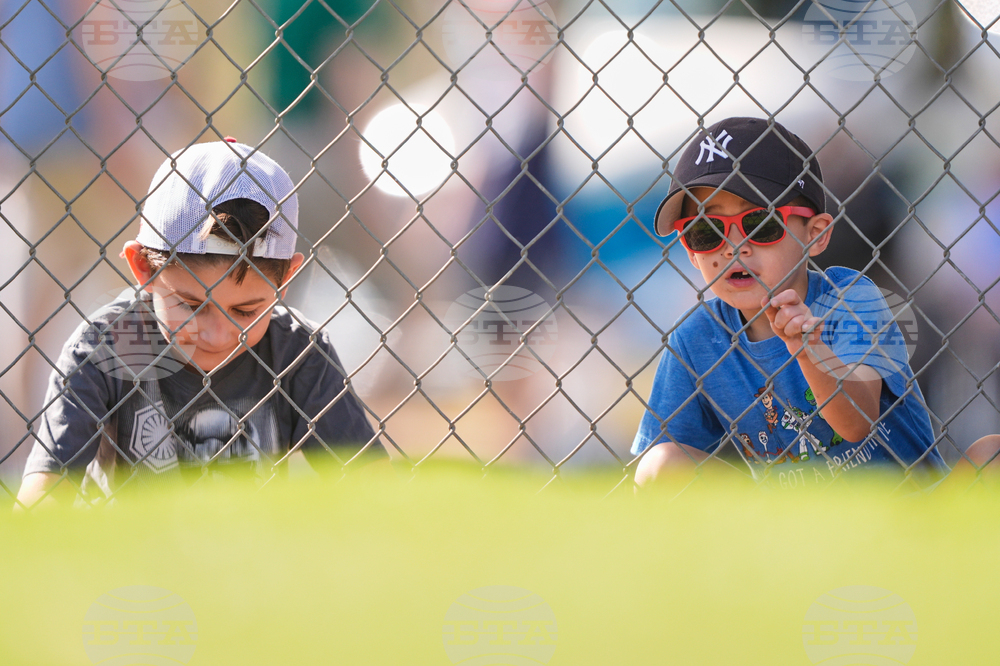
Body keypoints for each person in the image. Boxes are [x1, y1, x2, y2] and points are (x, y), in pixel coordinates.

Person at [17, 139, 383, 507]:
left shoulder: (296, 352)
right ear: (144, 268)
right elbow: (43, 500)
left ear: (285, 280)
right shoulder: (107, 347)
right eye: (192, 306)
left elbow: (377, 491)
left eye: (245, 311)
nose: (217, 335)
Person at [631, 116, 984, 491]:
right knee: (659, 466)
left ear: (815, 235)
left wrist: (809, 350)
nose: (734, 247)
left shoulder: (851, 298)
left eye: (760, 223)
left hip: (907, 504)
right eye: (706, 230)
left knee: (990, 451)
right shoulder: (696, 340)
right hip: (789, 523)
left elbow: (857, 423)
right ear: (690, 251)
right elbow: (663, 456)